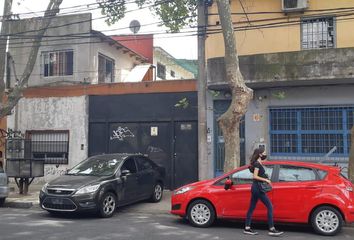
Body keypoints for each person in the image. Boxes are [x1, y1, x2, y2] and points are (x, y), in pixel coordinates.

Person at [244, 147, 284, 236]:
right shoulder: (257, 164)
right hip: (258, 188)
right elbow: (255, 176)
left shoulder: (258, 163)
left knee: (251, 208)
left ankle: (247, 228)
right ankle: (271, 229)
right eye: (264, 153)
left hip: (255, 187)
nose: (265, 154)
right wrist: (266, 180)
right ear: (260, 154)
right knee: (270, 206)